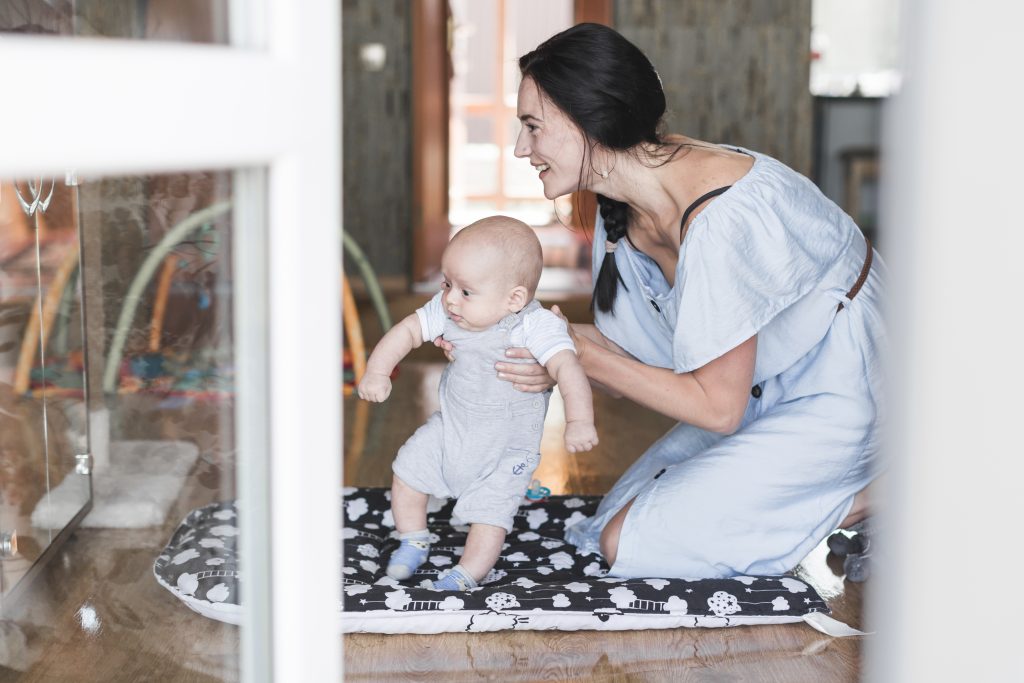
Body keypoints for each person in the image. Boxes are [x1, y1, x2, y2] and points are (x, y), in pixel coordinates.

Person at [491, 23, 886, 579]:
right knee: (614, 519)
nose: (520, 147)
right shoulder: (625, 209)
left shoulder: (720, 216)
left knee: (629, 542)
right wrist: (550, 349)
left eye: (532, 125)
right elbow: (638, 352)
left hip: (845, 390)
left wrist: (585, 355)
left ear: (590, 118)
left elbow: (716, 409)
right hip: (759, 388)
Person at [357, 216, 598, 590]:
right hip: (452, 428)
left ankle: (467, 572)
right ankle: (413, 538)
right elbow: (406, 330)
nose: (451, 298)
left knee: (492, 514)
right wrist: (377, 371)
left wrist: (579, 420)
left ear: (514, 299)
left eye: (466, 291)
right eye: (447, 283)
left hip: (506, 448)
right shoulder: (448, 309)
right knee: (407, 471)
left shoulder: (536, 327)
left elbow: (567, 368)